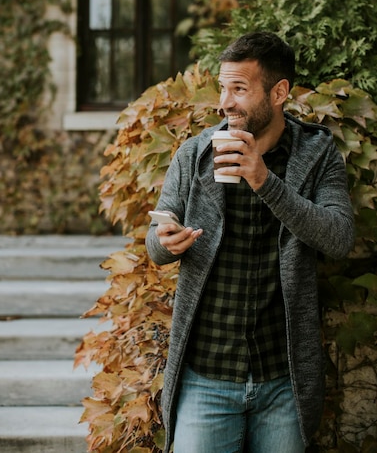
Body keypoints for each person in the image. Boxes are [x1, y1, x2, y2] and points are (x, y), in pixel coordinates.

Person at [146, 31, 355, 453]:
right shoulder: (194, 153)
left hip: (283, 380)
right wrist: (166, 241)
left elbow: (339, 237)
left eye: (239, 89)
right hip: (206, 375)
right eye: (223, 87)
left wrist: (263, 180)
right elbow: (155, 244)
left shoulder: (317, 155)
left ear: (279, 92)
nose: (225, 102)